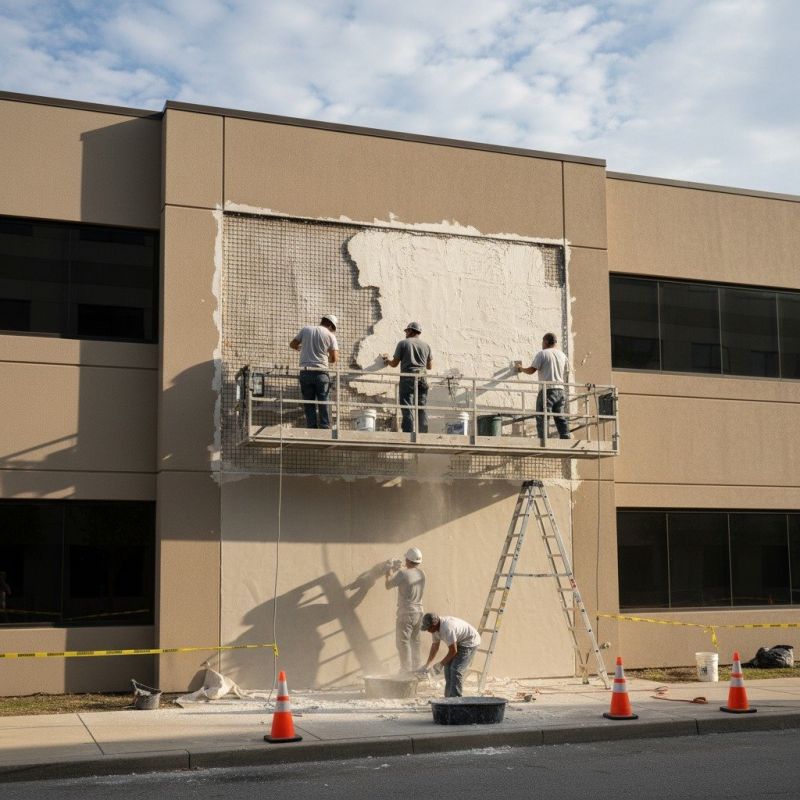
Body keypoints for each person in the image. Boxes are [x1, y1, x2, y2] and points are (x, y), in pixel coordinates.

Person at [517, 332, 571, 439]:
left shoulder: (542, 354)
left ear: (545, 341)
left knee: (543, 416)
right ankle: (566, 437)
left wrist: (520, 368)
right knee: (560, 416)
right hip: (560, 390)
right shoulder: (563, 355)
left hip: (547, 390)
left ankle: (543, 440)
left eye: (542, 342)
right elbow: (567, 373)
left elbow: (532, 370)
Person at [290, 314, 339, 429]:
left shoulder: (306, 329)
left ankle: (312, 427)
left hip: (305, 372)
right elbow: (334, 358)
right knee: (323, 401)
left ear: (322, 321)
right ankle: (325, 426)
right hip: (321, 372)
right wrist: (327, 357)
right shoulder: (330, 335)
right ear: (331, 326)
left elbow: (292, 344)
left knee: (309, 402)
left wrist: (300, 348)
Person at [383, 322, 432, 433]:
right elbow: (429, 366)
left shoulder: (403, 343)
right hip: (422, 378)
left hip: (407, 378)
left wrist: (387, 361)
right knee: (421, 406)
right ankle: (423, 433)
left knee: (407, 405)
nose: (405, 333)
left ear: (411, 331)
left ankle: (408, 432)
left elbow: (394, 364)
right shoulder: (426, 346)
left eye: (406, 331)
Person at [419, 612, 481, 697]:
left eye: (429, 628)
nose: (428, 631)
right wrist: (427, 664)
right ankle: (448, 698)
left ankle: (456, 699)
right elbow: (435, 647)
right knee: (447, 668)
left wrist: (441, 664)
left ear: (434, 624)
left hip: (470, 641)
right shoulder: (434, 629)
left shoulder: (447, 629)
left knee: (456, 670)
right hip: (459, 641)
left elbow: (453, 651)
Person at [385, 547, 426, 673]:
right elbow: (409, 575)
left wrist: (389, 569)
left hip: (406, 614)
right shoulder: (422, 574)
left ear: (408, 560)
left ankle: (406, 670)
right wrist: (399, 569)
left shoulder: (402, 574)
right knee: (415, 642)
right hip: (419, 613)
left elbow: (388, 584)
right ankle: (416, 668)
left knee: (403, 642)